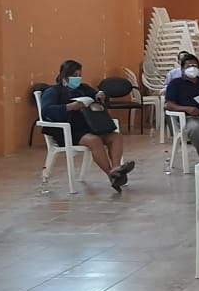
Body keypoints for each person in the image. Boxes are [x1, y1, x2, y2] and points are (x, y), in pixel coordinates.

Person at [41, 60, 135, 193]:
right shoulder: (53, 91)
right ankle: (111, 175)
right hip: (68, 131)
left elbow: (99, 98)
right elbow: (46, 111)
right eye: (74, 75)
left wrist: (100, 96)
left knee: (116, 137)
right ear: (64, 75)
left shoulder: (83, 88)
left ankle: (115, 169)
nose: (77, 78)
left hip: (89, 127)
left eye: (79, 75)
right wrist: (70, 107)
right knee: (94, 140)